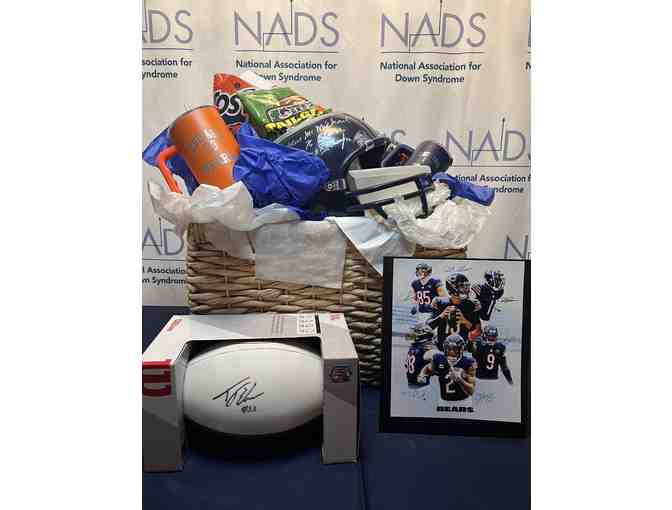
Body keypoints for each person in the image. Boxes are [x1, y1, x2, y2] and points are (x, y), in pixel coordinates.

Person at [418, 335, 476, 404]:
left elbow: (471, 391)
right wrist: (422, 375)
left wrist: (460, 380)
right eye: (448, 348)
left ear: (461, 349)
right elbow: (428, 368)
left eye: (455, 349)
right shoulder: (439, 359)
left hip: (463, 402)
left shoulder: (468, 362)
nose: (451, 352)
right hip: (443, 402)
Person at [427, 272, 481, 345]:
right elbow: (428, 326)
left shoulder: (472, 304)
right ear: (452, 288)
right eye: (462, 286)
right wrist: (441, 316)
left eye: (466, 286)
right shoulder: (439, 302)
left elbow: (475, 331)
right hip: (442, 345)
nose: (466, 289)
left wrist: (464, 321)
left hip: (462, 347)